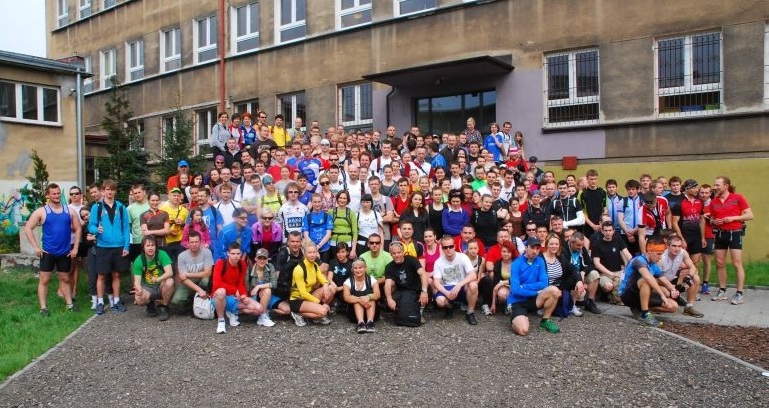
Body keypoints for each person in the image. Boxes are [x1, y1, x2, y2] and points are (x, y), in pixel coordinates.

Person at [23, 183, 81, 316]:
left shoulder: (69, 211)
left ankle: (69, 305)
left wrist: (76, 248)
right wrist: (36, 247)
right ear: (48, 195)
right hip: (48, 252)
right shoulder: (42, 211)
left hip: (65, 252)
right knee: (44, 280)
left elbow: (78, 229)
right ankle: (43, 308)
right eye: (53, 194)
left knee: (65, 279)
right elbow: (28, 228)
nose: (56, 196)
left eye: (58, 193)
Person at [705, 176, 753, 305]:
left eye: (717, 185)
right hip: (720, 234)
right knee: (720, 263)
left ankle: (739, 293)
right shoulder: (714, 201)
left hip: (735, 233)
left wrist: (733, 218)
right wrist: (714, 221)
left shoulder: (738, 198)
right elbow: (711, 219)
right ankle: (722, 290)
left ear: (726, 186)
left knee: (737, 263)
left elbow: (750, 215)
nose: (715, 187)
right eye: (714, 185)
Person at [87, 179, 130, 315]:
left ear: (115, 191)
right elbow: (91, 225)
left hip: (118, 245)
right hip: (103, 246)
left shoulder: (121, 207)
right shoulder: (97, 207)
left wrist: (126, 246)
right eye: (107, 189)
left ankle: (116, 301)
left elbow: (126, 228)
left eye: (112, 189)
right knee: (101, 275)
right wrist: (95, 230)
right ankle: (100, 302)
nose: (110, 192)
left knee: (116, 274)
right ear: (103, 191)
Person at [619, 237, 679, 327]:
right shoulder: (638, 260)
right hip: (628, 295)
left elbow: (664, 280)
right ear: (650, 251)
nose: (660, 257)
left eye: (662, 254)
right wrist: (662, 296)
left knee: (673, 306)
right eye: (658, 254)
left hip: (642, 294)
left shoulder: (654, 265)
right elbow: (648, 277)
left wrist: (673, 289)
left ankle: (639, 309)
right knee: (646, 281)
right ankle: (645, 314)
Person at [507, 237, 562, 335]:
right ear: (526, 248)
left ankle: (545, 321)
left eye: (537, 248)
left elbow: (544, 283)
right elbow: (515, 290)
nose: (535, 251)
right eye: (532, 248)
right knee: (523, 331)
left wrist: (524, 286)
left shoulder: (540, 261)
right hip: (517, 301)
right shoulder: (516, 263)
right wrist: (536, 292)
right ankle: (517, 318)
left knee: (554, 290)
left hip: (534, 299)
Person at [212, 243, 264, 333]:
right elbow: (216, 283)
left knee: (259, 309)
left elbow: (241, 283)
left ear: (241, 254)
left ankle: (233, 312)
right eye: (233, 253)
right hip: (220, 297)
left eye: (238, 253)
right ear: (228, 253)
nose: (235, 256)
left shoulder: (242, 264)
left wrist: (243, 295)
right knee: (221, 291)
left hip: (235, 297)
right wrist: (234, 290)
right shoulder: (220, 263)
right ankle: (221, 321)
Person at [432, 235, 479, 325]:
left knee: (473, 285)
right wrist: (446, 293)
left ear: (455, 246)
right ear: (442, 248)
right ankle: (449, 307)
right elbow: (436, 282)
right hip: (447, 288)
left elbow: (473, 275)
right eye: (445, 247)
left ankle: (470, 312)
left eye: (451, 246)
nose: (448, 249)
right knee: (440, 302)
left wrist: (459, 285)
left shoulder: (463, 257)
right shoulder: (438, 262)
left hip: (461, 287)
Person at [289, 239, 334, 326]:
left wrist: (325, 285)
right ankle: (297, 313)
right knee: (324, 311)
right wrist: (321, 303)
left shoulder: (315, 265)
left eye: (314, 252)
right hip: (297, 300)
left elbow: (321, 278)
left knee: (331, 289)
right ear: (304, 253)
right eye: (309, 252)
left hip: (309, 295)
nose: (312, 255)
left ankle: (315, 314)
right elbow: (303, 293)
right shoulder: (299, 269)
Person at [659, 234, 704, 318]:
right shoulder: (661, 257)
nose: (677, 249)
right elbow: (656, 277)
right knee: (670, 301)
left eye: (679, 246)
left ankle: (689, 307)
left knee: (695, 278)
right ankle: (649, 307)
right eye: (674, 246)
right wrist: (670, 287)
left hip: (671, 281)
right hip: (659, 284)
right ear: (668, 246)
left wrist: (688, 279)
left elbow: (692, 267)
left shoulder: (682, 252)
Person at [131, 236, 174, 321]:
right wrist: (139, 289)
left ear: (156, 246)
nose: (150, 248)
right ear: (143, 247)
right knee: (139, 299)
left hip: (161, 285)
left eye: (153, 245)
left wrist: (158, 279)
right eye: (148, 246)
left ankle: (164, 307)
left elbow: (170, 272)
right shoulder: (139, 260)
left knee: (170, 281)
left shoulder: (162, 254)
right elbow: (137, 282)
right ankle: (150, 304)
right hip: (148, 287)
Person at [384, 241, 430, 319]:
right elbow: (387, 285)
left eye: (399, 252)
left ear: (403, 252)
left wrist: (424, 291)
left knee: (425, 285)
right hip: (402, 291)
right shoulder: (389, 267)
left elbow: (423, 273)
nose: (396, 255)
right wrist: (389, 299)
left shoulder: (412, 260)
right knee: (388, 303)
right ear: (390, 254)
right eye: (394, 253)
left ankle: (420, 311)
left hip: (416, 290)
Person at [591, 221, 632, 305]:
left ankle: (614, 297)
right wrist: (611, 274)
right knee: (608, 286)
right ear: (602, 231)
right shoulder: (596, 244)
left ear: (613, 231)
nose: (608, 233)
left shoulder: (618, 239)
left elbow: (627, 255)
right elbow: (597, 264)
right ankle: (605, 294)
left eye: (610, 230)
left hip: (618, 271)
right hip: (603, 273)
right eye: (605, 230)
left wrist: (632, 266)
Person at [171, 231, 214, 309]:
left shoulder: (207, 252)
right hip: (189, 281)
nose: (194, 244)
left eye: (196, 242)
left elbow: (208, 273)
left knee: (205, 281)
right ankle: (192, 302)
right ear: (188, 243)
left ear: (200, 242)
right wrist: (199, 290)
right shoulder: (182, 256)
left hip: (202, 279)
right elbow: (183, 278)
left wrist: (188, 274)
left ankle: (205, 301)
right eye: (192, 242)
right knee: (176, 301)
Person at [343, 258, 380, 333]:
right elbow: (346, 297)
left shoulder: (371, 279)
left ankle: (370, 322)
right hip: (354, 315)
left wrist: (368, 297)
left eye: (360, 267)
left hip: (372, 313)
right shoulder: (348, 282)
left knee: (370, 295)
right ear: (352, 270)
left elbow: (377, 294)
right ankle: (360, 323)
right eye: (355, 268)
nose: (358, 270)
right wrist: (360, 299)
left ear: (365, 268)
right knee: (356, 295)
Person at [248, 248, 283, 327]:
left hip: (268, 296)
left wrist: (258, 286)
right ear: (255, 259)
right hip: (254, 297)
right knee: (267, 290)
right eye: (259, 258)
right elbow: (246, 287)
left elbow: (274, 284)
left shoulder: (270, 267)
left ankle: (266, 309)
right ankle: (262, 316)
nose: (262, 261)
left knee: (286, 310)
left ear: (267, 259)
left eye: (264, 258)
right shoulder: (250, 269)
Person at [160, 187, 189, 264]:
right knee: (168, 264)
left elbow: (188, 226)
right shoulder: (162, 210)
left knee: (180, 263)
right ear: (169, 196)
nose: (176, 197)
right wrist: (168, 231)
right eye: (174, 195)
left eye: (178, 196)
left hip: (180, 241)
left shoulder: (185, 211)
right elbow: (159, 225)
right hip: (167, 241)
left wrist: (182, 223)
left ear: (180, 197)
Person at [127, 184, 149, 261]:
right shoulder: (129, 209)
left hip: (151, 240)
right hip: (137, 241)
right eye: (135, 193)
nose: (137, 195)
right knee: (138, 263)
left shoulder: (151, 205)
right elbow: (129, 226)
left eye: (139, 192)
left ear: (144, 192)